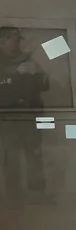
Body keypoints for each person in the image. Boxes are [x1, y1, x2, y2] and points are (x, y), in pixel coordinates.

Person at [0, 26, 49, 199]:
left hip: (30, 115)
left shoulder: (29, 58)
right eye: (15, 39)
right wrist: (14, 73)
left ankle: (37, 193)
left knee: (34, 154)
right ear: (3, 40)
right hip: (7, 117)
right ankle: (14, 196)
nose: (18, 43)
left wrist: (37, 74)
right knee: (11, 156)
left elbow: (45, 84)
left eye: (19, 39)